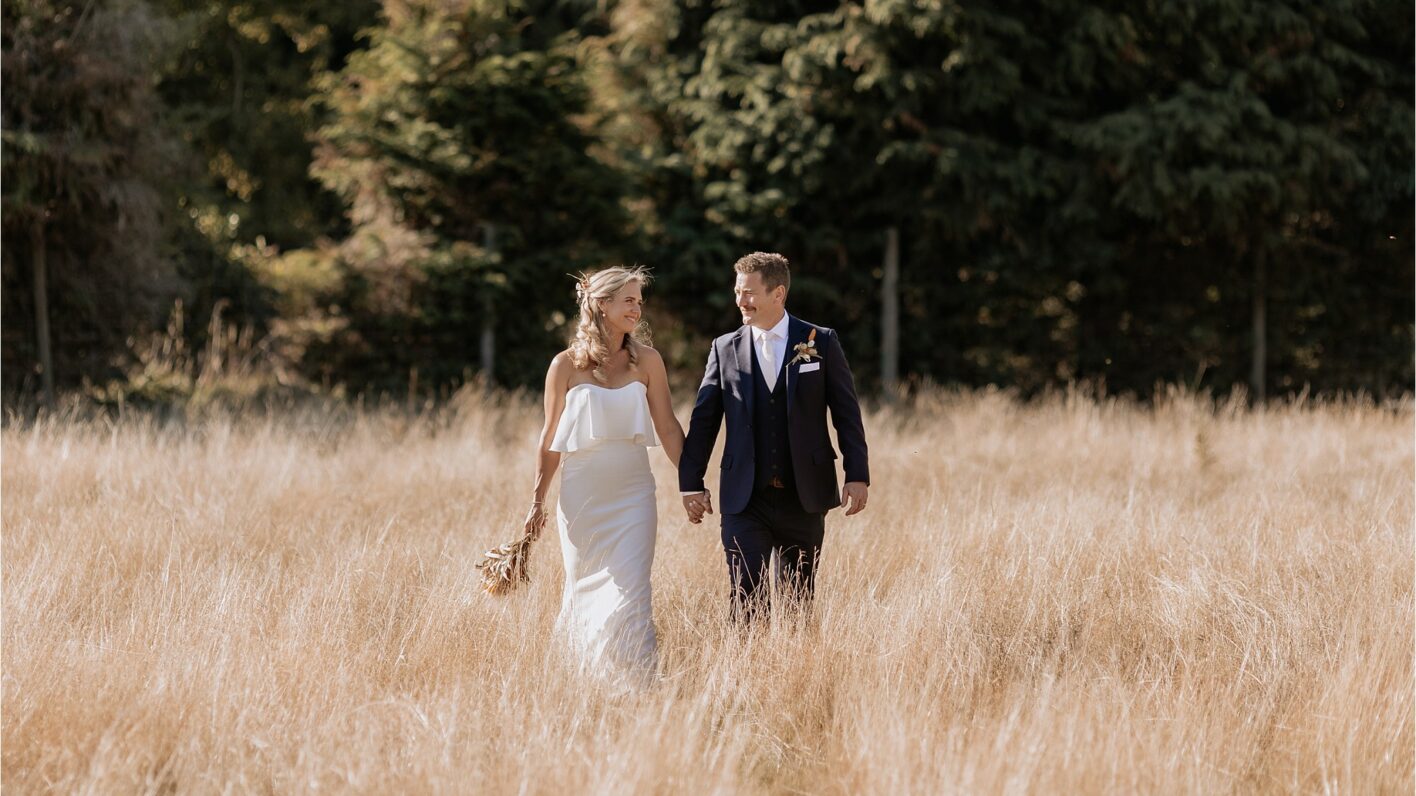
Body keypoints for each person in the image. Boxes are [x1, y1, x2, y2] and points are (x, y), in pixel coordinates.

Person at [678, 252, 870, 621]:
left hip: (805, 494)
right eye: (737, 292)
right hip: (744, 497)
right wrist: (691, 483)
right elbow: (704, 421)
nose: (740, 301)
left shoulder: (821, 341)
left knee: (799, 599)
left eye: (748, 292)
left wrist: (857, 474)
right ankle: (745, 673)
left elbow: (847, 415)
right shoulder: (724, 347)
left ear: (778, 293)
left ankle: (794, 674)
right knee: (746, 598)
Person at [524, 266, 685, 683]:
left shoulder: (649, 362)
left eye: (639, 300)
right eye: (628, 300)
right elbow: (550, 439)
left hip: (634, 499)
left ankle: (636, 685)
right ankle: (585, 681)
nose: (637, 308)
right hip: (581, 503)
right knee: (583, 591)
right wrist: (536, 502)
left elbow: (667, 426)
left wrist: (692, 483)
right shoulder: (564, 366)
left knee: (631, 593)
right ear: (601, 304)